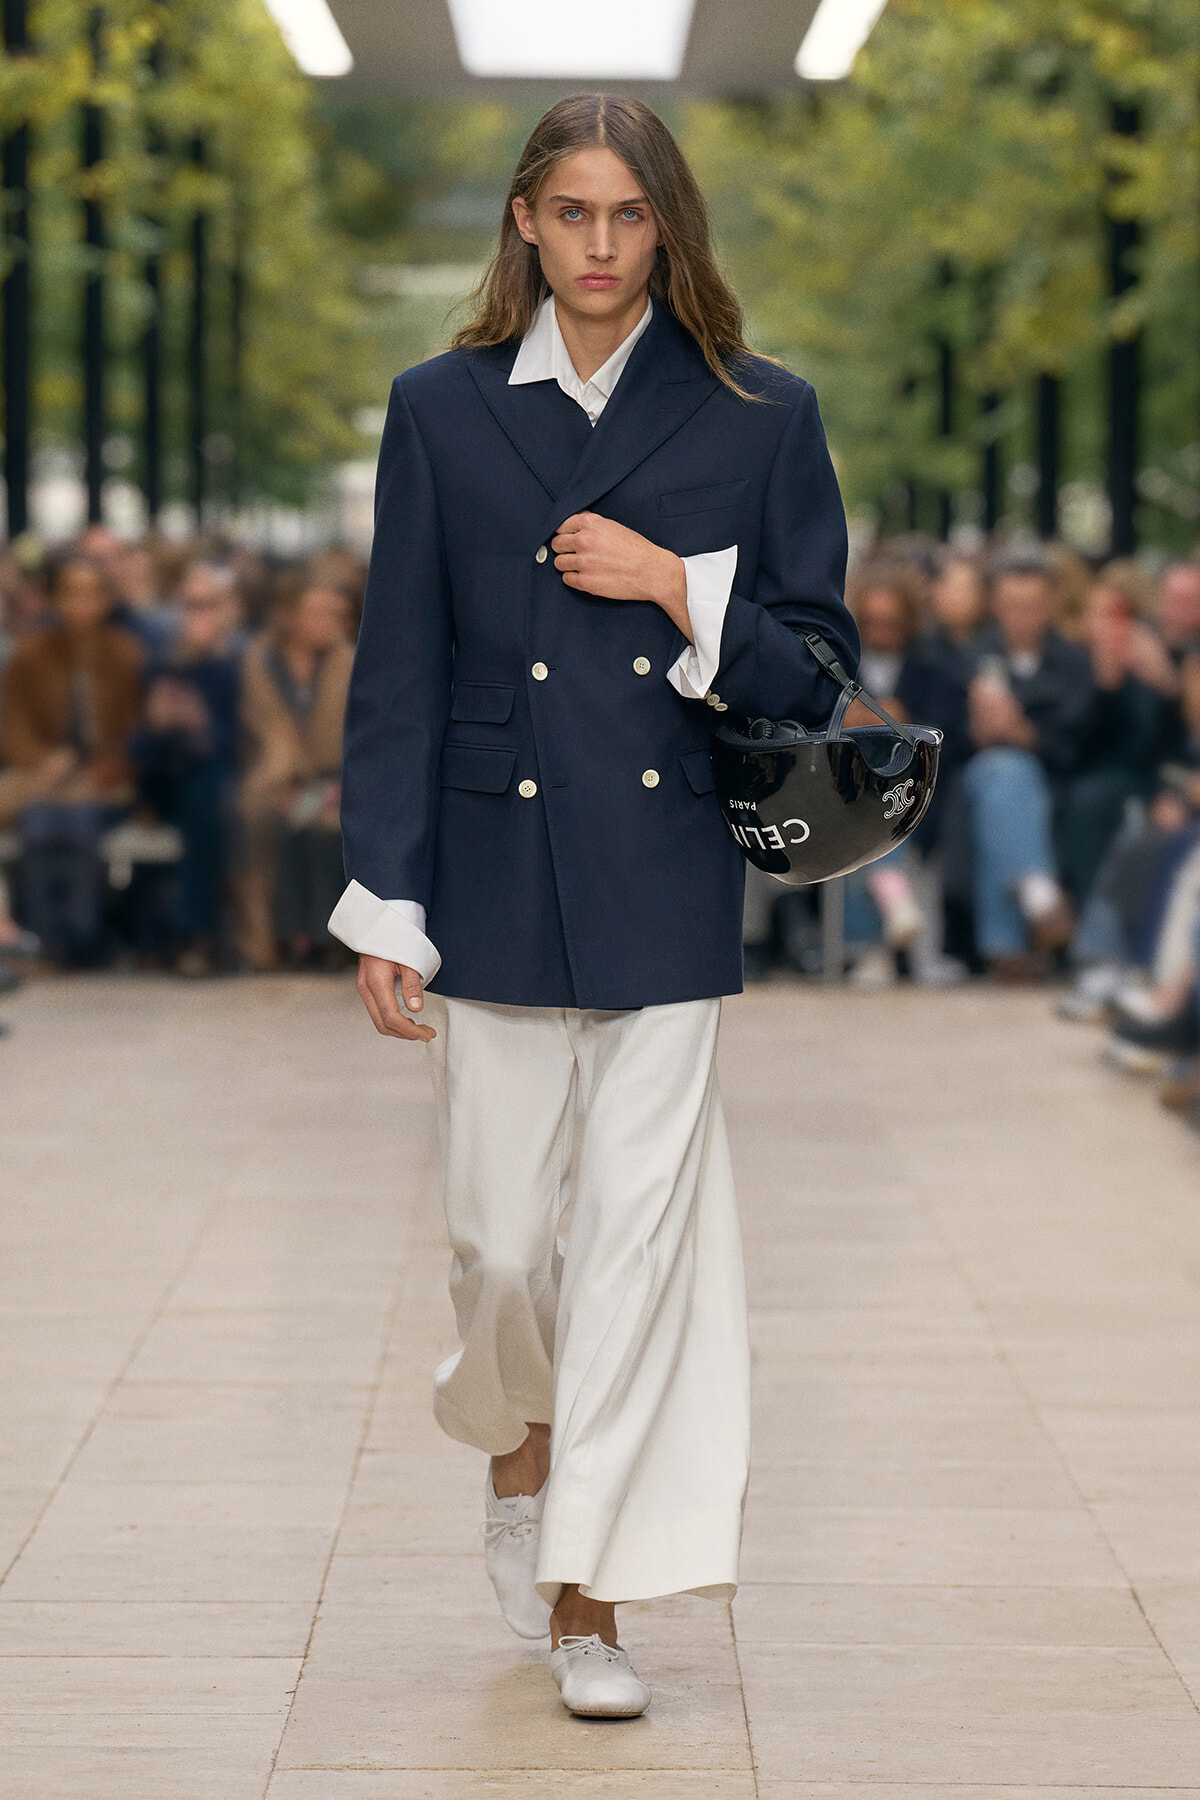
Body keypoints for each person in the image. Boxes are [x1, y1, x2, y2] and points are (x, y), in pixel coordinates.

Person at [327, 93, 857, 1718]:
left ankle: (590, 1597)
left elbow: (818, 672)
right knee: (498, 1252)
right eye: (573, 213)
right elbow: (400, 666)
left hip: (664, 878)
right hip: (488, 873)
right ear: (525, 222)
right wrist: (384, 895)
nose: (603, 245)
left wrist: (678, 584)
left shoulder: (760, 413)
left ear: (668, 226)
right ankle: (520, 1451)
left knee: (633, 1255)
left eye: (631, 215)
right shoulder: (441, 406)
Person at [0, 554, 143, 962]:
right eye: (73, 593)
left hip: (106, 783)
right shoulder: (30, 656)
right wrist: (43, 760)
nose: (82, 604)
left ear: (107, 600)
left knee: (80, 823)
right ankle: (46, 936)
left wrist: (109, 767)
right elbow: (13, 727)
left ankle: (82, 936)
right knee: (41, 823)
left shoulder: (126, 654)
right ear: (57, 599)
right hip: (44, 780)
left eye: (92, 594)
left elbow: (136, 730)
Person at [129, 561, 244, 976]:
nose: (198, 616)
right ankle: (162, 934)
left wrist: (200, 729)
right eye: (190, 605)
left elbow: (245, 740)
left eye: (208, 605)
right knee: (190, 790)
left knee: (206, 793)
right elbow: (138, 744)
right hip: (163, 776)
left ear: (228, 608)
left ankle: (197, 934)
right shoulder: (161, 662)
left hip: (216, 777)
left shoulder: (239, 662)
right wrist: (159, 727)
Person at [239, 572, 354, 970]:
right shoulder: (259, 664)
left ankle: (328, 938)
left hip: (337, 782)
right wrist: (282, 780)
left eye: (336, 614)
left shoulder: (348, 663)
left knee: (323, 831)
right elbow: (251, 734)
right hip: (271, 780)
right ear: (289, 616)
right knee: (275, 826)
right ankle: (287, 937)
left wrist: (328, 784)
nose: (330, 623)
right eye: (318, 613)